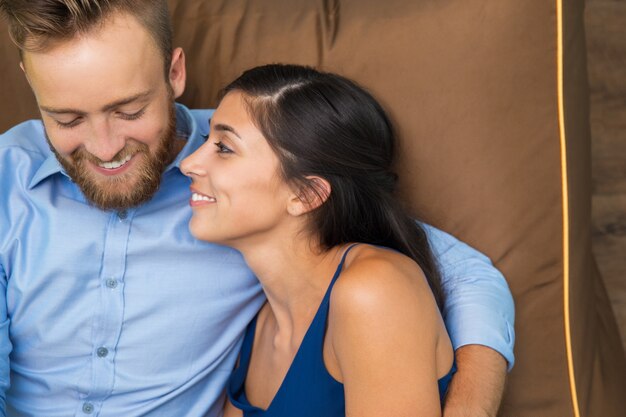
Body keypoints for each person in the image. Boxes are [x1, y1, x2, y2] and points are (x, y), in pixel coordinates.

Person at [0, 1, 513, 416]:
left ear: (174, 72)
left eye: (129, 111)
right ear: (30, 82)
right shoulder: (9, 179)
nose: (105, 147)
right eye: (66, 119)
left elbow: (463, 274)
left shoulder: (253, 167)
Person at [180, 63, 458, 416]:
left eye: (224, 148)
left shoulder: (374, 291)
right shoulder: (261, 317)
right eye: (207, 140)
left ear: (306, 195)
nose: (189, 164)